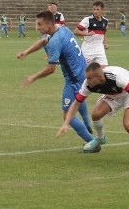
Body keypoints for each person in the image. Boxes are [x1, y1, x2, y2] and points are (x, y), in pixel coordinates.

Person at [17, 11, 94, 148]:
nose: (37, 27)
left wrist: (33, 77)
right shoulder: (62, 29)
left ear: (49, 24)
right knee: (79, 98)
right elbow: (43, 41)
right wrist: (26, 52)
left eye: (40, 24)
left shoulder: (56, 41)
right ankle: (87, 124)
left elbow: (51, 69)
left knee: (67, 115)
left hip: (74, 79)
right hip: (84, 72)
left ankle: (92, 141)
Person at [57, 62, 129, 167]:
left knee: (128, 124)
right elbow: (76, 103)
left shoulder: (116, 77)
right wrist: (66, 123)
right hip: (115, 93)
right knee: (96, 114)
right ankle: (100, 138)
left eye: (90, 78)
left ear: (100, 77)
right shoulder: (87, 85)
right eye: (86, 78)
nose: (87, 81)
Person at [74, 0, 109, 65]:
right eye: (94, 9)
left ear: (102, 10)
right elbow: (76, 31)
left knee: (104, 70)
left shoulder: (105, 21)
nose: (95, 11)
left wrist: (105, 43)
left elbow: (104, 32)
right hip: (88, 49)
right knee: (85, 70)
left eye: (98, 9)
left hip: (99, 49)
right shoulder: (87, 20)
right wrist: (86, 34)